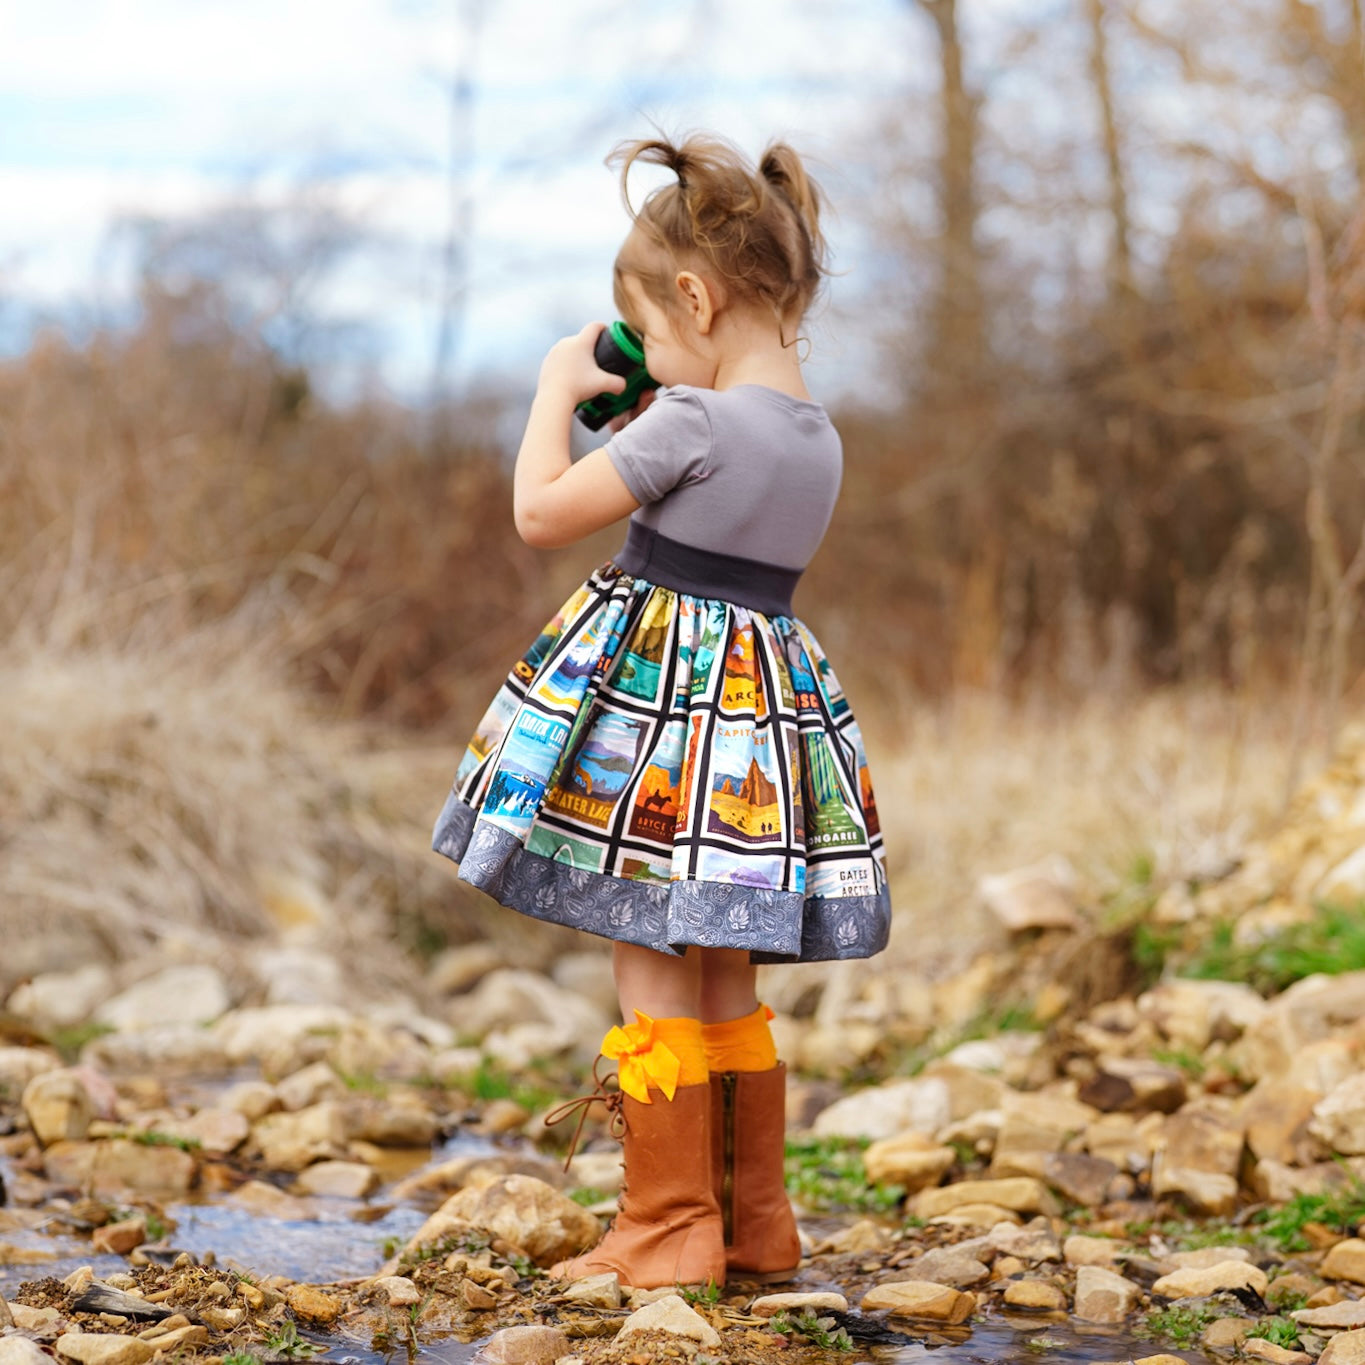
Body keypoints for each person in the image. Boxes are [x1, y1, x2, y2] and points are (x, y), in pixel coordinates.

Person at [432, 132, 890, 1289]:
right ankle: (751, 1226)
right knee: (725, 961)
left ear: (695, 296)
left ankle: (664, 1226)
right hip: (765, 715)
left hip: (662, 730)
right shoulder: (818, 437)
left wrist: (555, 391)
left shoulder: (691, 425)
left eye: (650, 325)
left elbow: (543, 512)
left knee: (646, 943)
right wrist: (659, 394)